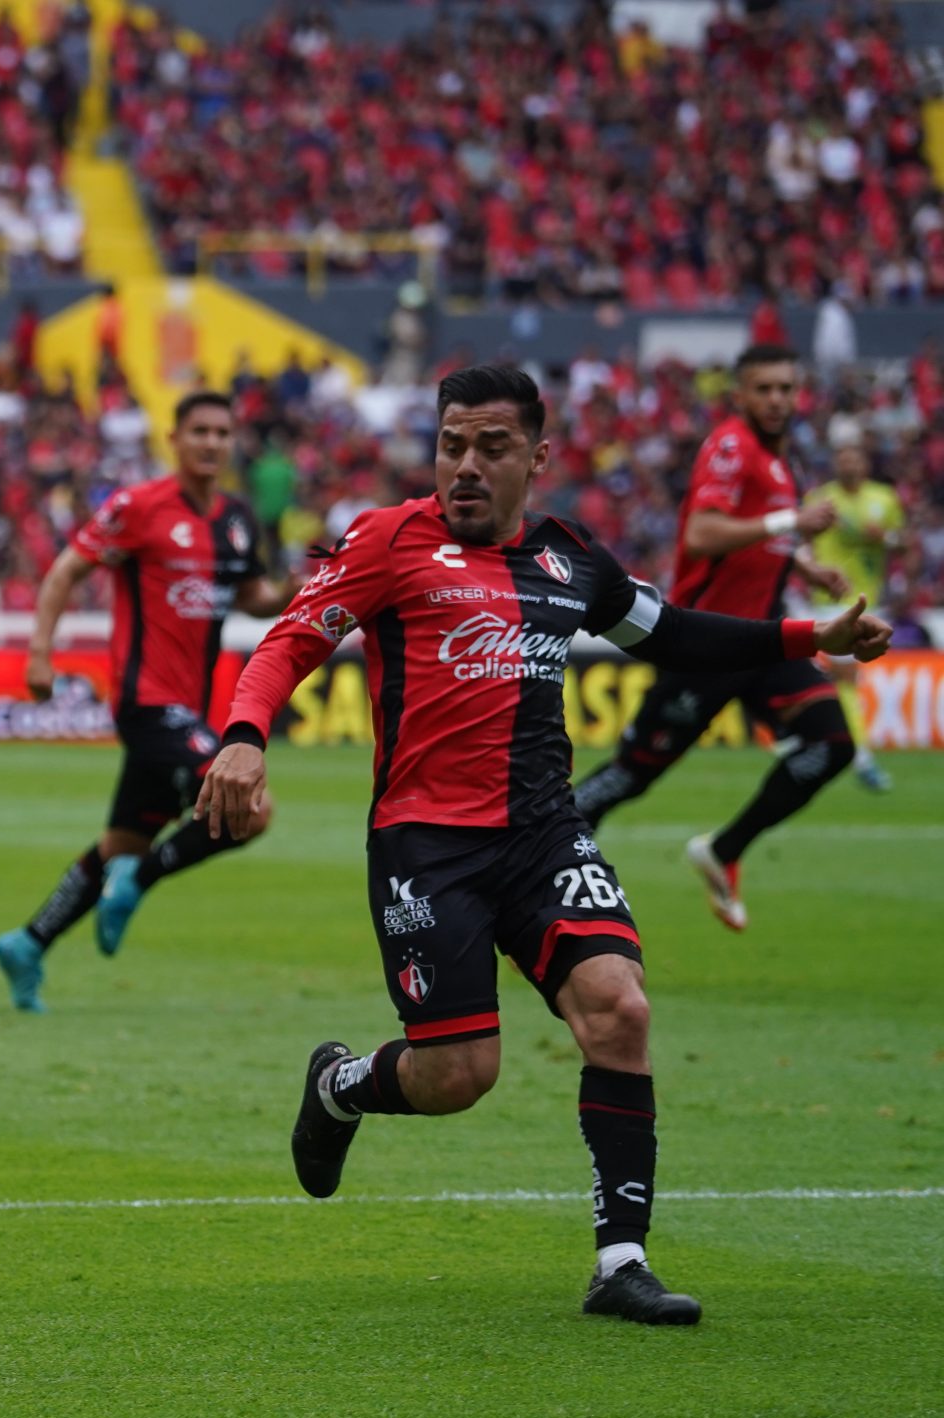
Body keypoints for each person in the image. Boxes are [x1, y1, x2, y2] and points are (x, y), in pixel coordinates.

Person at [195, 364, 891, 1326]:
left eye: (491, 447)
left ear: (539, 456)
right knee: (457, 1077)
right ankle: (342, 1085)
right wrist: (242, 735)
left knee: (621, 1008)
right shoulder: (390, 540)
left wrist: (810, 635)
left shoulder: (573, 560)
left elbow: (676, 635)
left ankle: (621, 1263)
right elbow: (287, 642)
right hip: (425, 845)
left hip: (542, 835)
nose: (466, 467)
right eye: (451, 445)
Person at [0, 392, 290, 1012]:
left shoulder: (236, 519)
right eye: (199, 431)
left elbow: (254, 597)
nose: (212, 442)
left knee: (120, 844)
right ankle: (138, 882)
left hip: (192, 710)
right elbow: (66, 571)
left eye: (222, 432)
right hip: (146, 702)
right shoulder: (139, 507)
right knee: (251, 806)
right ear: (174, 438)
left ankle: (27, 943)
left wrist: (294, 588)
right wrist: (41, 651)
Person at [569, 346, 860, 930]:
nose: (777, 399)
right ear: (740, 395)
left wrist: (803, 566)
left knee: (832, 743)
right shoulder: (733, 446)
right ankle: (539, 858)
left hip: (764, 639)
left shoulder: (779, 463)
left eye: (786, 388)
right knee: (633, 774)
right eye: (765, 389)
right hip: (706, 644)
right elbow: (702, 534)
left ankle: (723, 852)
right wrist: (790, 525)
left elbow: (760, 535)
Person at [802, 434, 906, 792]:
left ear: (864, 463)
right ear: (836, 463)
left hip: (868, 597)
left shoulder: (884, 499)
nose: (848, 464)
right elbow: (802, 544)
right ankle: (860, 756)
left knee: (837, 678)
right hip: (829, 596)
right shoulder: (819, 500)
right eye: (842, 458)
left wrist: (885, 539)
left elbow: (903, 542)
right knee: (845, 677)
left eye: (854, 458)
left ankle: (810, 737)